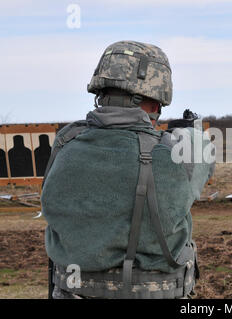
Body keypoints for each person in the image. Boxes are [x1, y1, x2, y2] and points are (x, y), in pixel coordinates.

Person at [42, 41, 215, 299]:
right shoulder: (178, 153)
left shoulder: (65, 141)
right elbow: (203, 155)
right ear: (157, 103)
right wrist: (188, 130)